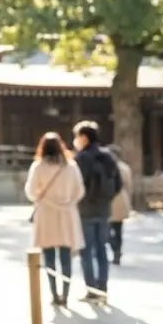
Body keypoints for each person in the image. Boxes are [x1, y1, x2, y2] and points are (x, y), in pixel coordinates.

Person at [24, 132, 85, 307]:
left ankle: (53, 294)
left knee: (49, 257)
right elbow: (79, 190)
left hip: (46, 213)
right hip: (66, 213)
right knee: (66, 257)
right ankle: (65, 294)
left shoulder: (38, 166)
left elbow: (30, 191)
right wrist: (69, 201)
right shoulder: (71, 166)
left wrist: (42, 198)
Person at [71, 120, 122, 303]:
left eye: (77, 136)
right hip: (104, 210)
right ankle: (103, 288)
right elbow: (118, 184)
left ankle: (92, 289)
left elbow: (75, 186)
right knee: (102, 250)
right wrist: (106, 200)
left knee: (86, 251)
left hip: (85, 211)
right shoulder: (108, 156)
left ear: (84, 137)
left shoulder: (81, 158)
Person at [106, 143, 133, 265]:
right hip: (121, 198)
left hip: (109, 199)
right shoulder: (124, 167)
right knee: (118, 229)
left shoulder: (105, 166)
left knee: (107, 230)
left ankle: (115, 248)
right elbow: (128, 186)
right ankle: (118, 250)